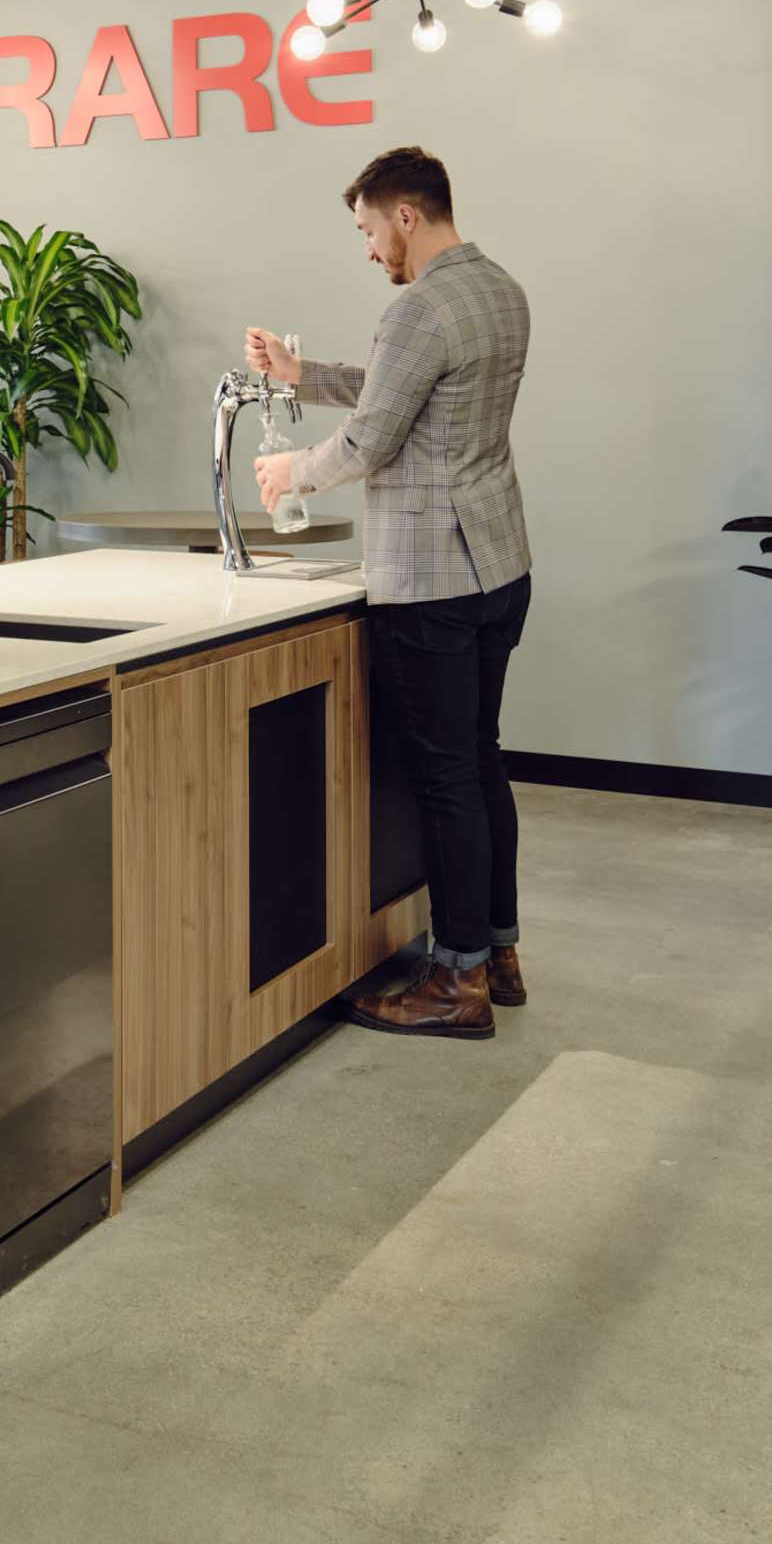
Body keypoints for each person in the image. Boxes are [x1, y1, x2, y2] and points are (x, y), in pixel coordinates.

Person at [250, 144, 532, 1040]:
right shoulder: (497, 290)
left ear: (405, 215)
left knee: (444, 777)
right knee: (480, 762)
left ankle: (454, 983)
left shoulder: (416, 307)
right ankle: (496, 949)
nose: (370, 249)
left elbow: (373, 438)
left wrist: (292, 472)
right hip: (499, 562)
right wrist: (306, 378)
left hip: (431, 577)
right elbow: (408, 393)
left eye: (370, 229)